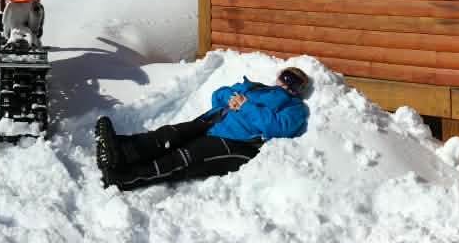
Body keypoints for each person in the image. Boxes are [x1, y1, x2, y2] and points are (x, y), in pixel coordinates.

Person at [95, 66, 312, 190]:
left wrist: (246, 105)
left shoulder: (295, 108)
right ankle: (118, 150)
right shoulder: (257, 87)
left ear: (298, 90)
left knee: (181, 158)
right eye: (285, 76)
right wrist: (230, 98)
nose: (285, 83)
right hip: (212, 120)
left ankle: (122, 177)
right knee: (168, 136)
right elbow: (218, 93)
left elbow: (275, 127)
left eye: (293, 82)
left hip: (235, 143)